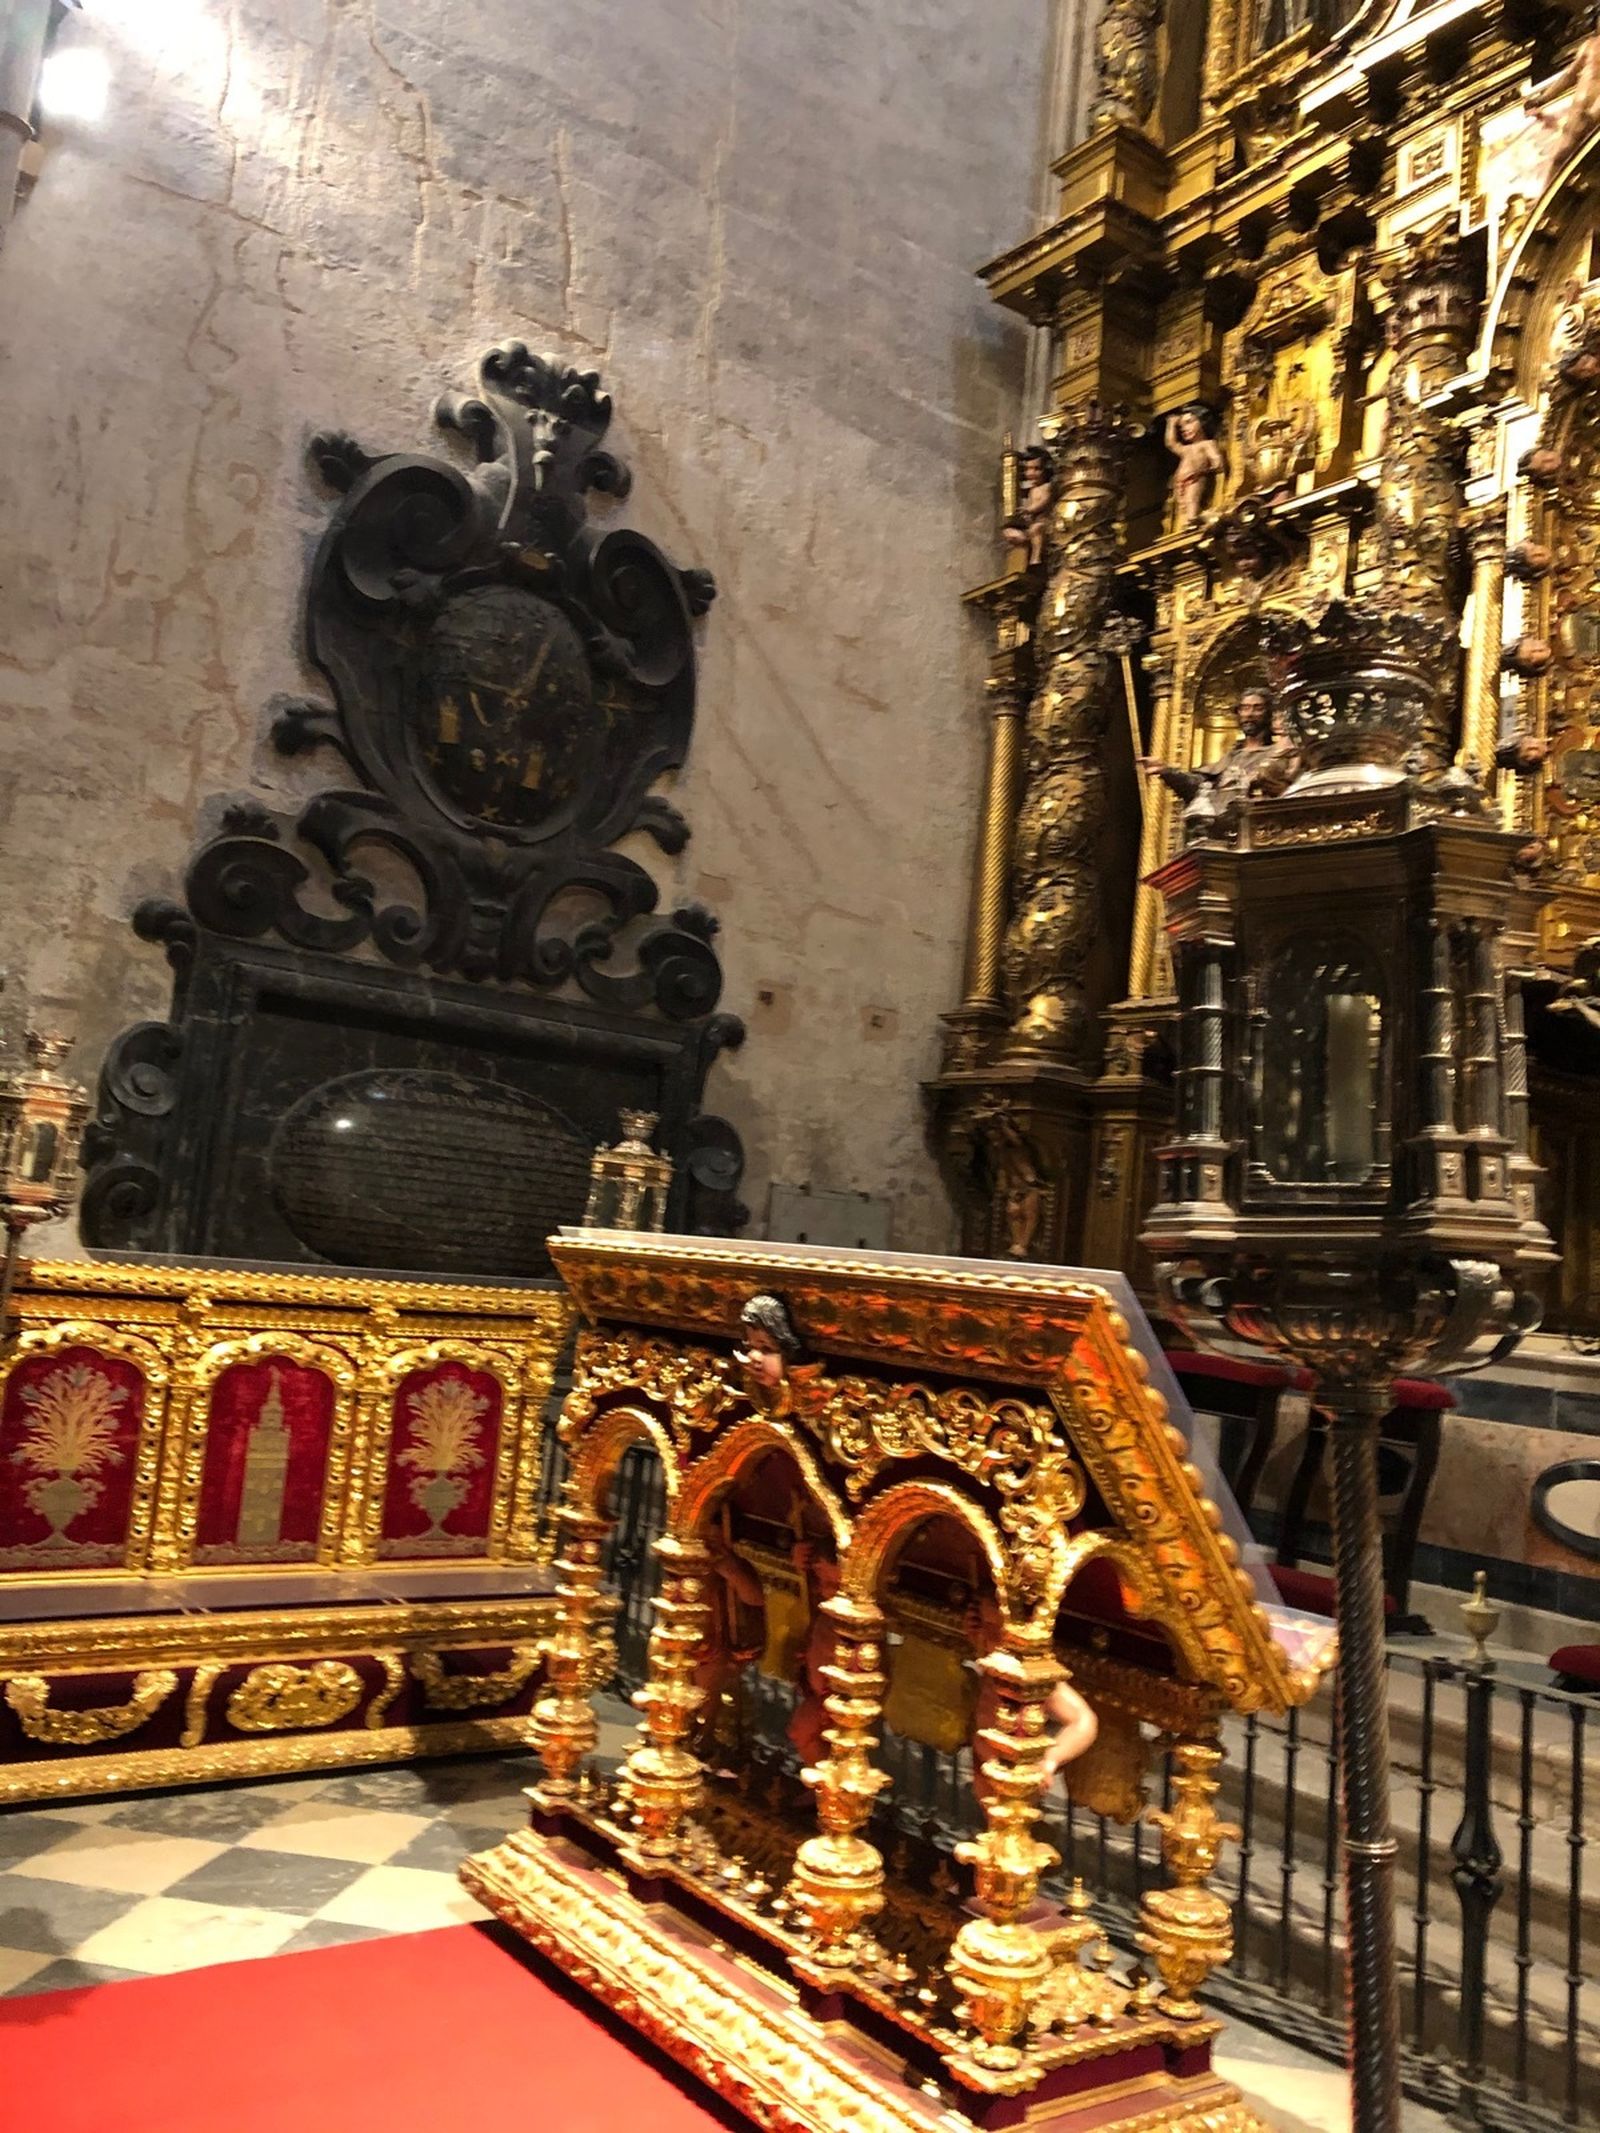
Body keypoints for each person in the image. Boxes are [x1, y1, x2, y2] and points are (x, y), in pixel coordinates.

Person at [961, 1591, 1099, 1802]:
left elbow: (1085, 1721)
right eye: (986, 1628)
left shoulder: (1033, 1675)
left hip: (1016, 1779)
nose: (990, 1638)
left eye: (998, 1632)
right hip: (987, 1765)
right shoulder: (994, 1658)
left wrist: (1049, 1761)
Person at [1139, 687, 1295, 809]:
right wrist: (1166, 771)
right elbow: (1198, 786)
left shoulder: (1279, 752)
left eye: (1257, 708)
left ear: (1268, 714)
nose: (1249, 714)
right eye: (1245, 708)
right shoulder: (1230, 758)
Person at [786, 1536, 842, 1767]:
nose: (825, 1589)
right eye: (823, 1581)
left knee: (802, 1732)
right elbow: (811, 1598)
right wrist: (802, 1564)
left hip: (837, 1694)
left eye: (836, 1585)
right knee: (802, 1734)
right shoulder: (828, 1603)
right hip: (823, 1688)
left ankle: (826, 1790)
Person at [1164, 406, 1224, 531]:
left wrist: (1214, 465)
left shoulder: (1207, 444)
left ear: (1202, 422)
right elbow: (1171, 443)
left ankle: (1192, 520)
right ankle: (1185, 522)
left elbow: (1216, 459)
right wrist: (1171, 424)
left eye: (1189, 422)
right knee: (1183, 504)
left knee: (1192, 498)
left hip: (1195, 478)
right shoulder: (1186, 449)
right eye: (1181, 428)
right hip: (1180, 481)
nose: (1184, 429)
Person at [1002, 445, 1056, 570]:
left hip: (1045, 523)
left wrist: (1029, 510)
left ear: (1046, 470)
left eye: (1036, 469)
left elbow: (1044, 502)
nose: (1031, 473)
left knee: (1037, 529)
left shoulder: (1046, 487)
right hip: (1031, 524)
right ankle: (1022, 552)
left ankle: (1036, 558)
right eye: (1028, 469)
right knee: (1009, 532)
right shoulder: (1032, 489)